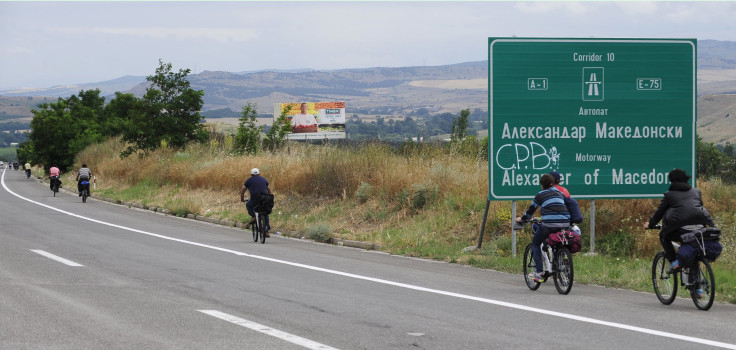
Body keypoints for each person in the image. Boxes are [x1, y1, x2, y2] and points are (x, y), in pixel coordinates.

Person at [644, 169, 715, 277]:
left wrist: (650, 224)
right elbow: (698, 209)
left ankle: (674, 263)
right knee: (692, 250)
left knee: (664, 236)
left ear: (671, 181)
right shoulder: (696, 192)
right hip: (700, 228)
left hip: (681, 230)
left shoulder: (669, 195)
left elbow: (659, 212)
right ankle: (698, 289)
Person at [516, 173, 571, 282]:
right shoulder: (560, 193)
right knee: (557, 240)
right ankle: (561, 258)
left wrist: (522, 220)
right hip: (565, 223)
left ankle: (539, 272)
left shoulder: (540, 195)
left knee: (536, 243)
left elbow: (531, 210)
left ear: (542, 185)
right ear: (552, 184)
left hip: (549, 225)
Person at [240, 168, 272, 234]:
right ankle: (267, 230)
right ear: (259, 174)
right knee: (265, 213)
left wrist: (242, 199)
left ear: (251, 174)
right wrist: (269, 197)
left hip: (254, 199)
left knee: (248, 205)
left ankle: (253, 216)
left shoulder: (249, 180)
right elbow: (269, 190)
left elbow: (243, 191)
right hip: (264, 198)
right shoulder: (263, 179)